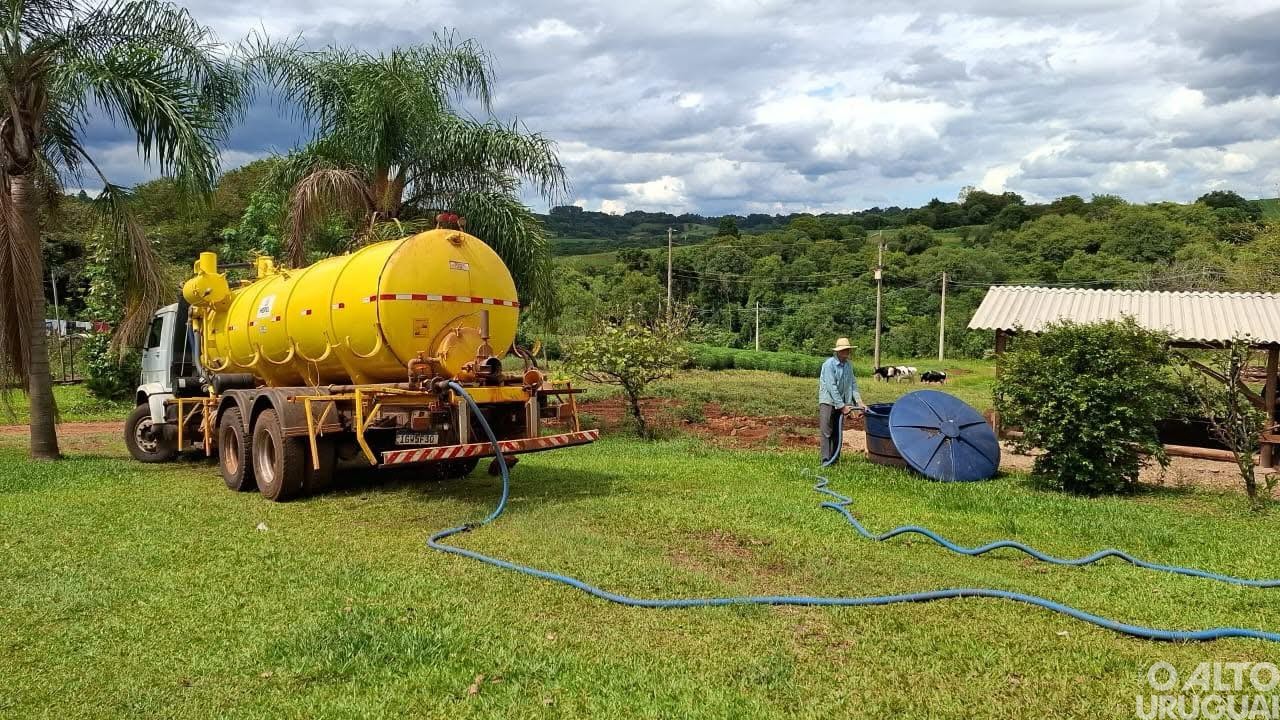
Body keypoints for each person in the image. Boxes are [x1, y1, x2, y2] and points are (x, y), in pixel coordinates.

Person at [818, 337, 867, 464]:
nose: (847, 352)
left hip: (842, 402)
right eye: (844, 350)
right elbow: (831, 386)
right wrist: (842, 406)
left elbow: (853, 384)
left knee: (837, 432)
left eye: (848, 349)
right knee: (827, 431)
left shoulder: (848, 365)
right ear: (838, 351)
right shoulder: (829, 365)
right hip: (828, 401)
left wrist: (859, 402)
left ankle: (835, 459)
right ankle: (826, 460)